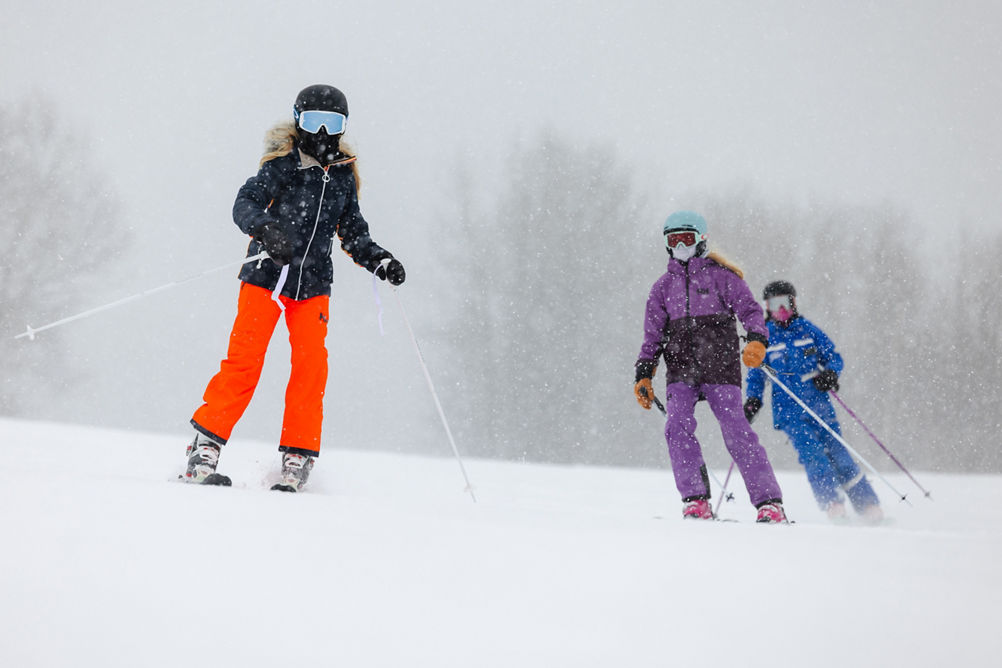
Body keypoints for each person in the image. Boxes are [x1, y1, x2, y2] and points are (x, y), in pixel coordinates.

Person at [184, 84, 405, 492]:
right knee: (244, 362)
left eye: (331, 124)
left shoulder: (342, 177)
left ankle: (297, 456)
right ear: (298, 120)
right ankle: (205, 447)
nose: (321, 133)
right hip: (266, 277)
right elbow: (245, 203)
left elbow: (353, 233)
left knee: (310, 367)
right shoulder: (282, 166)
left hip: (313, 286)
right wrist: (266, 229)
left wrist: (379, 260)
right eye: (313, 121)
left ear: (343, 128)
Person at [633, 211, 787, 523]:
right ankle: (696, 500)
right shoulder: (663, 288)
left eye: (686, 239)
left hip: (720, 367)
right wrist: (644, 374)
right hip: (680, 370)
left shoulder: (722, 278)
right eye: (673, 240)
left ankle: (769, 503)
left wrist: (757, 340)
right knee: (676, 428)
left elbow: (751, 312)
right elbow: (652, 337)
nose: (680, 246)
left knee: (736, 431)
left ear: (701, 240)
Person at [743, 280, 883, 523]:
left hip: (819, 406)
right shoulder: (765, 338)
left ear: (794, 303)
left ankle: (868, 505)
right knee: (814, 456)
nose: (781, 309)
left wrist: (830, 374)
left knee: (840, 455)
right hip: (789, 412)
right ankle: (833, 504)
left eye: (786, 303)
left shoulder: (807, 330)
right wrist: (753, 400)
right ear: (767, 307)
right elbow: (756, 374)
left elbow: (833, 357)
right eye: (775, 304)